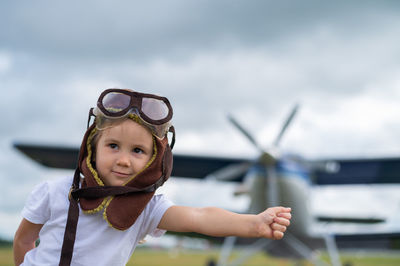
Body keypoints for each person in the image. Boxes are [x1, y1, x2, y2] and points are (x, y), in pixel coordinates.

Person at [13, 88, 292, 266]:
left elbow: (200, 217)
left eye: (137, 150)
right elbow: (24, 241)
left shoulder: (147, 208)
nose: (123, 159)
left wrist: (253, 224)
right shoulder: (53, 191)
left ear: (153, 160)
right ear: (92, 147)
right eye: (113, 146)